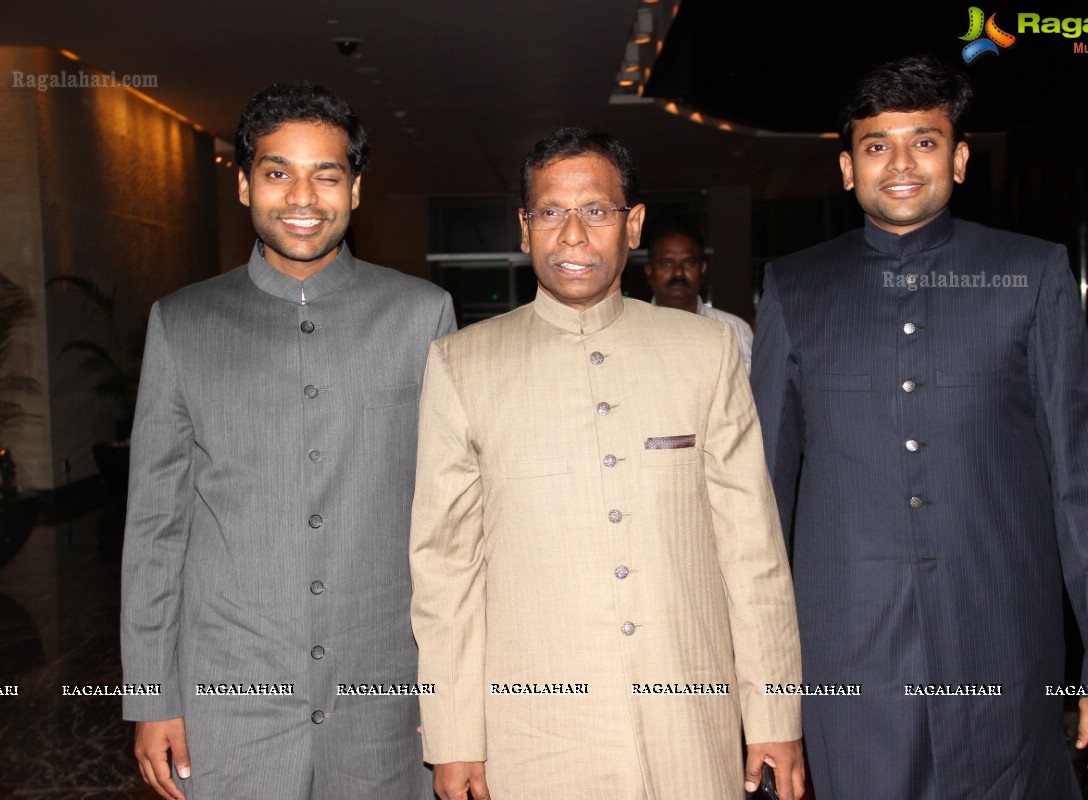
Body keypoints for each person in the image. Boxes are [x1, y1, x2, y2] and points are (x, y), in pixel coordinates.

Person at [751, 55, 1088, 798]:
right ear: (847, 168)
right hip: (847, 662)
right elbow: (762, 505)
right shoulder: (795, 288)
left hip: (1003, 647)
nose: (900, 163)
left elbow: (1087, 487)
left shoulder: (1032, 275)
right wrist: (760, 692)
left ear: (959, 159)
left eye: (924, 141)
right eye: (876, 145)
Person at [409, 127, 803, 800]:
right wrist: (452, 736)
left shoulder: (705, 352)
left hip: (689, 722)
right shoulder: (461, 364)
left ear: (634, 224)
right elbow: (446, 572)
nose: (572, 236)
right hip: (534, 734)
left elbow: (752, 549)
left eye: (595, 211)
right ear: (525, 227)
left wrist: (773, 713)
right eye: (550, 213)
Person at [120, 82, 455, 800]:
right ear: (244, 184)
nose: (302, 196)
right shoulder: (183, 323)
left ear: (356, 190)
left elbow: (452, 521)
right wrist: (152, 695)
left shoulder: (421, 316)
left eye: (326, 174)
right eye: (278, 172)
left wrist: (455, 692)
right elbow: (155, 527)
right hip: (228, 696)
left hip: (385, 694)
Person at [645, 225, 755, 373]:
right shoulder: (629, 332)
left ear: (702, 268)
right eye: (667, 263)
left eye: (688, 263)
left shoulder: (736, 330)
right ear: (649, 270)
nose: (678, 273)